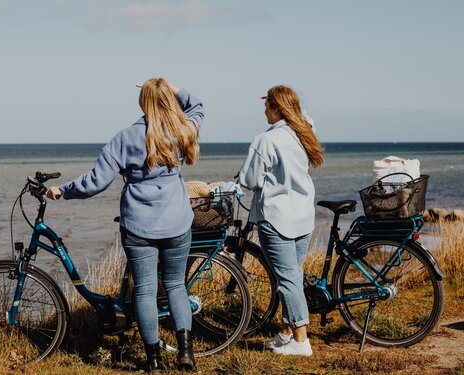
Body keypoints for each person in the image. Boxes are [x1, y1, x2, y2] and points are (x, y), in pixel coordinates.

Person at [46, 78, 204, 372]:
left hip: (139, 226)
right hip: (177, 223)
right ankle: (185, 355)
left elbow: (96, 181)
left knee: (144, 290)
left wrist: (63, 190)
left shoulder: (126, 137)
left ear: (143, 102)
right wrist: (171, 86)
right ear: (170, 100)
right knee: (175, 286)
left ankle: (154, 361)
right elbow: (197, 105)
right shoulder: (184, 130)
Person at [238, 85, 324, 356]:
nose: (264, 110)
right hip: (302, 216)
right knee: (293, 276)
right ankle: (287, 332)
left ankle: (301, 340)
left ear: (277, 108)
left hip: (277, 218)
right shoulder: (304, 132)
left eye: (267, 105)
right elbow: (305, 116)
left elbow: (250, 180)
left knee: (287, 280)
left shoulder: (266, 140)